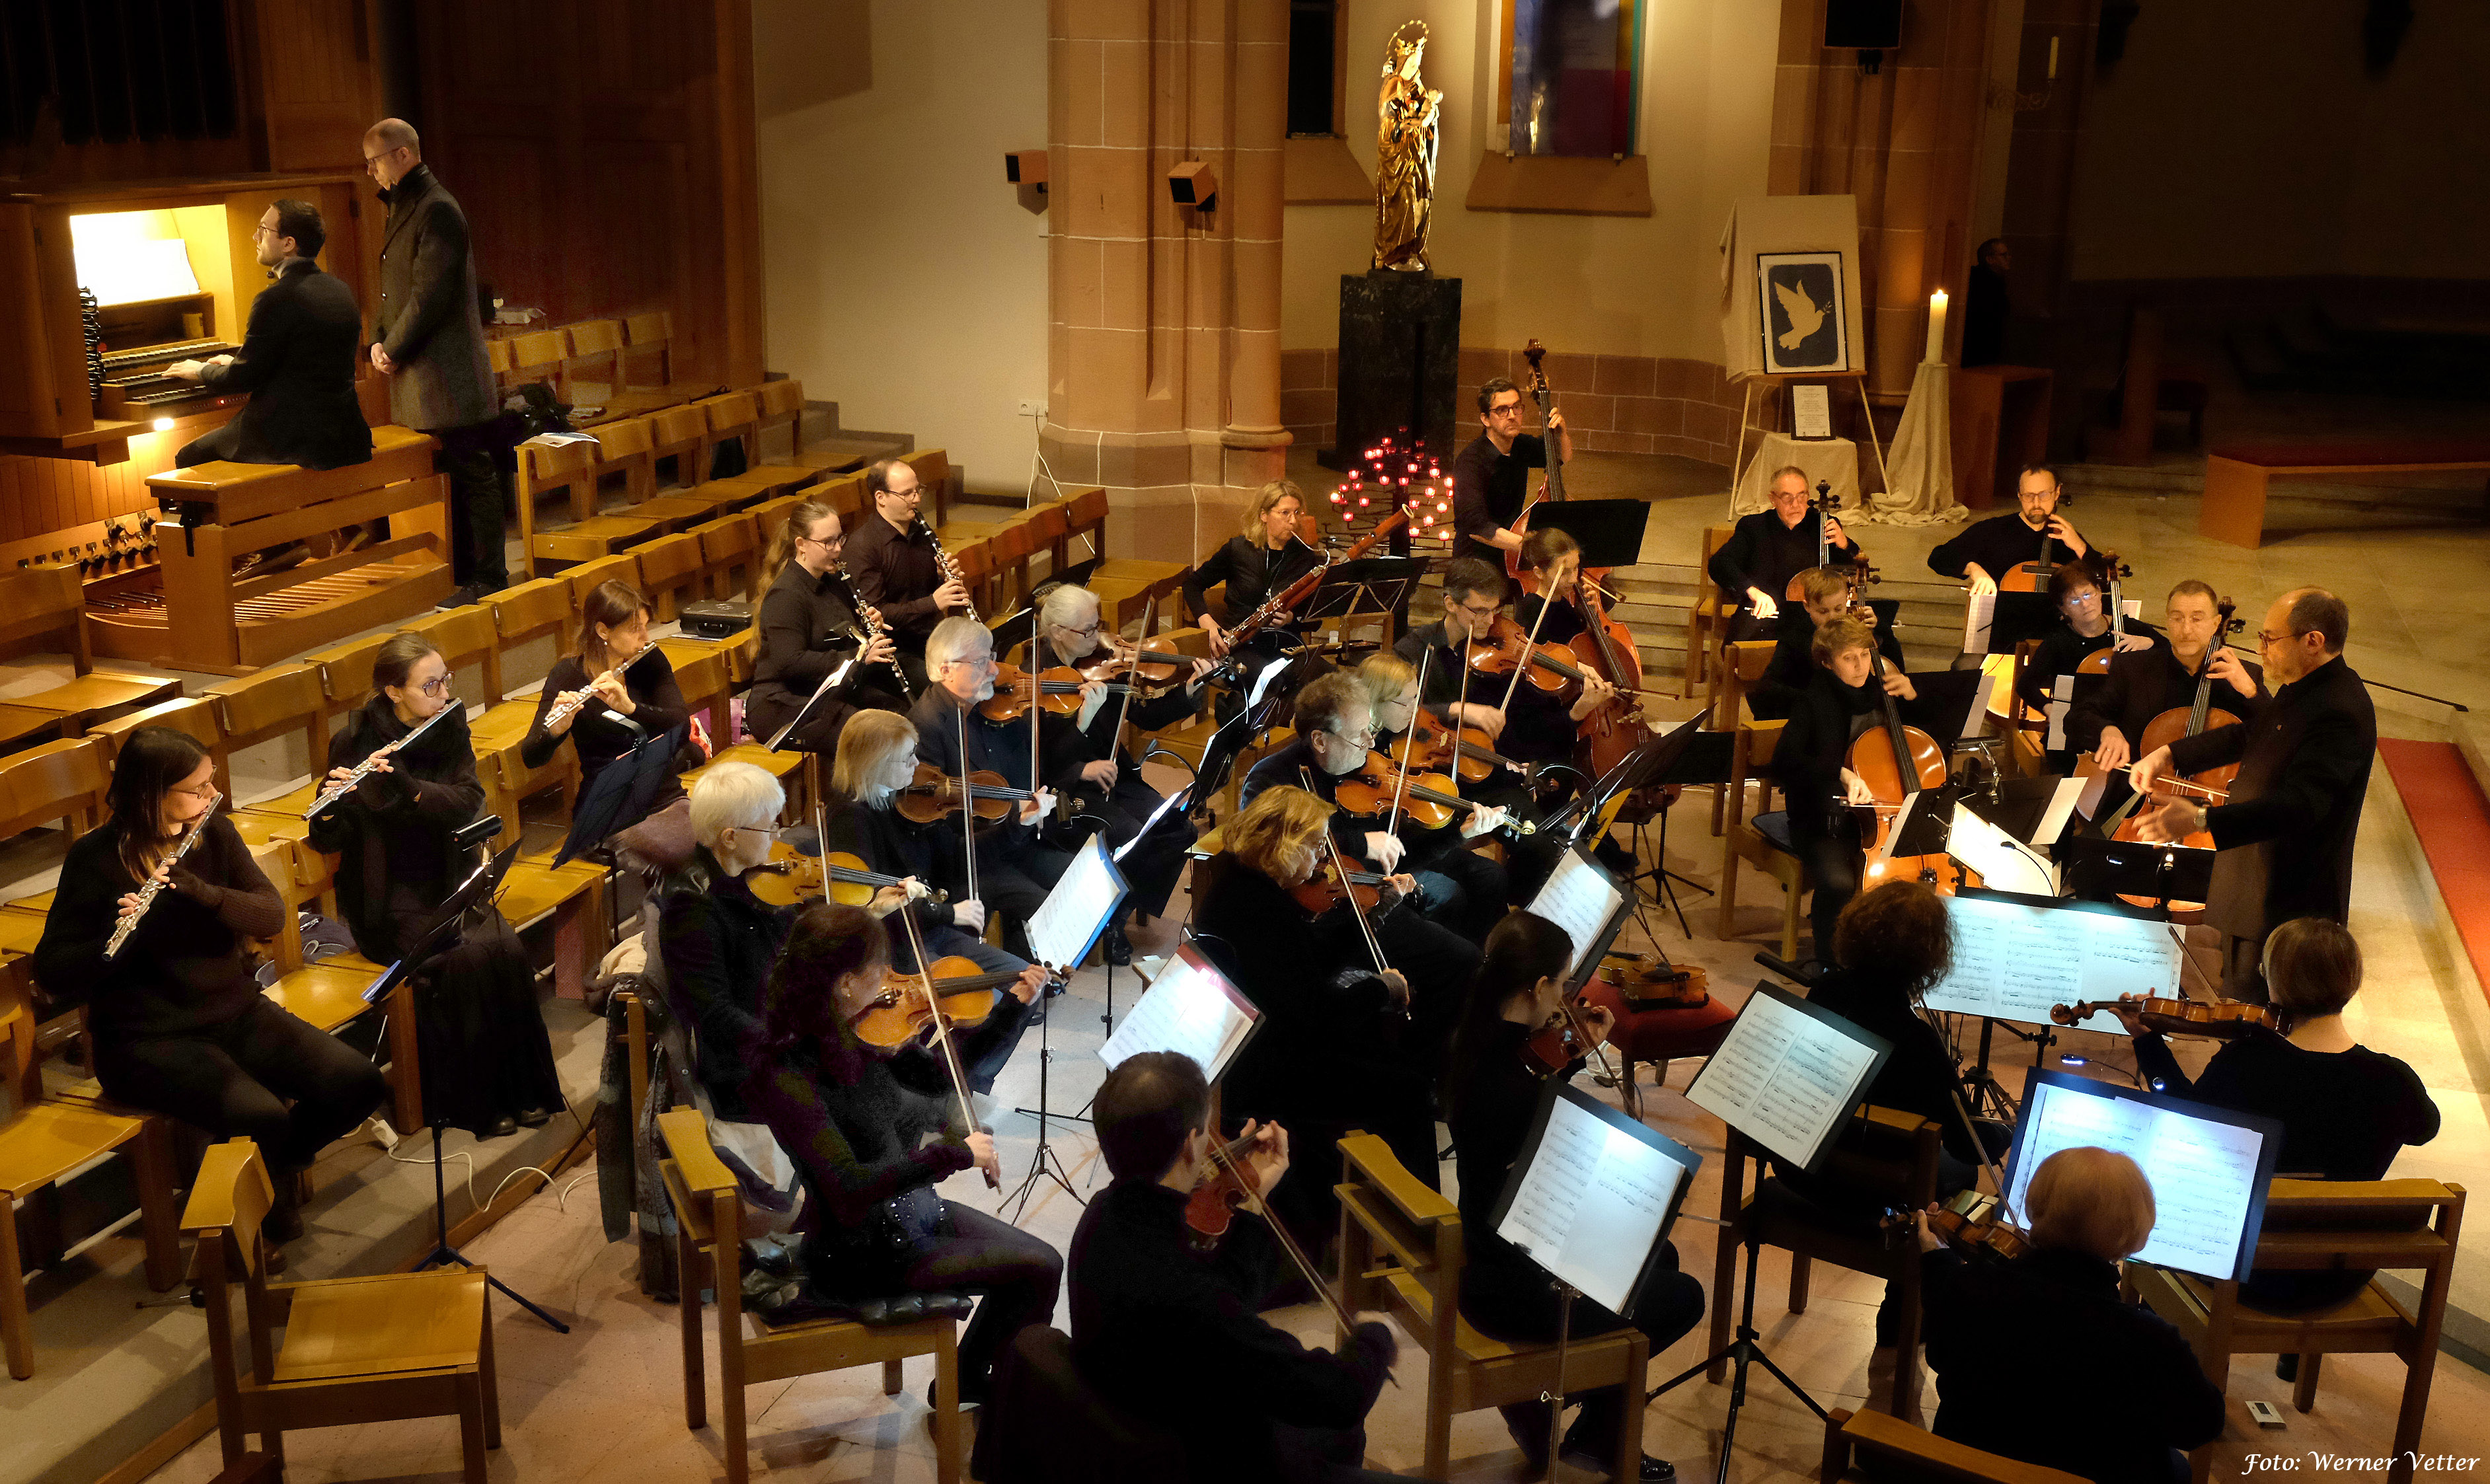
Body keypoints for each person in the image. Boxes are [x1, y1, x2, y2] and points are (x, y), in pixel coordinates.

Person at [33, 728, 386, 1251]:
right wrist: (122, 936)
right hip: (147, 1040)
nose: (209, 797)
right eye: (196, 789)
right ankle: (262, 1224)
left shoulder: (212, 834)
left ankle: (274, 1170)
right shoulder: (95, 859)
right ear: (153, 794)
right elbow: (55, 973)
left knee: (357, 1081)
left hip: (234, 1012)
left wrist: (202, 893)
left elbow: (270, 913)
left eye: (210, 785)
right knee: (261, 1113)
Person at [745, 903, 1057, 1408]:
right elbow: (847, 1187)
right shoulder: (788, 1075)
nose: (892, 981)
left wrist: (1014, 1007)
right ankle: (986, 1394)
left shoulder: (865, 1033)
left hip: (914, 1216)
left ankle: (969, 1378)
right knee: (1037, 1268)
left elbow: (945, 1074)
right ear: (845, 983)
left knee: (1042, 1265)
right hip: (864, 1254)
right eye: (879, 969)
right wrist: (952, 1155)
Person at [1444, 911, 1702, 1481]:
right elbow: (1542, 1123)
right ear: (1536, 988)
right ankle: (1588, 1424)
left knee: (1661, 1261)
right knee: (1681, 1295)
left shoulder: (1476, 1038)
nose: (1565, 998)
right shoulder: (1514, 1094)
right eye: (1561, 984)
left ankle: (1598, 1427)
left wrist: (1578, 1048)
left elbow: (1530, 1074)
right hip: (1521, 1287)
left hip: (1485, 1256)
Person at [1067, 1052, 1401, 1484]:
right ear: (1190, 1145)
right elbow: (1338, 1397)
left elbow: (1224, 1298)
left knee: (1339, 1438)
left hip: (1154, 1414)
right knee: (1342, 1427)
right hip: (1213, 1459)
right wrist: (1376, 1336)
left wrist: (1252, 1199)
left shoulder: (1103, 1217)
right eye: (1207, 1132)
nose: (1215, 1146)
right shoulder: (1189, 1300)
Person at [307, 632, 559, 1136]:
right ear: (393, 692)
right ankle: (472, 1104)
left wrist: (410, 790)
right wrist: (330, 805)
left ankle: (521, 1091)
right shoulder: (354, 741)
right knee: (460, 960)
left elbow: (467, 800)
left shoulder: (449, 729)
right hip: (387, 893)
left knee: (505, 949)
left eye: (445, 680)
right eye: (430, 685)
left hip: (448, 875)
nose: (443, 693)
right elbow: (329, 838)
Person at [2121, 917, 2437, 1318]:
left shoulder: (2246, 1064)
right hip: (2338, 1278)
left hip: (2244, 1271)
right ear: (2352, 983)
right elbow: (2426, 1128)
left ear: (2275, 983)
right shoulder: (2394, 1079)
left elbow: (2182, 1115)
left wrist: (2146, 1042)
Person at [1786, 883, 2009, 1410]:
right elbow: (1968, 1145)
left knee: (1930, 1173)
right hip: (1868, 1201)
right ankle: (1893, 1372)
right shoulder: (1917, 1041)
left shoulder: (1822, 995)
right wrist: (2005, 1131)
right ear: (1930, 958)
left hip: (1800, 1169)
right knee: (1955, 1200)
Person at [1188, 786, 1441, 1249]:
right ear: (1288, 847)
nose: (1325, 858)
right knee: (1408, 1087)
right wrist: (1382, 989)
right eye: (1318, 845)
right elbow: (1320, 1015)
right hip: (1273, 1070)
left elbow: (1303, 967)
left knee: (1390, 1059)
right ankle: (1423, 1231)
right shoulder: (1261, 911)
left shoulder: (1244, 886)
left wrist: (1377, 913)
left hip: (1266, 1042)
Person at [1916, 1146, 2225, 1483]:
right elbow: (2200, 1427)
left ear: (2036, 1208)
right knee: (2177, 1469)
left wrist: (1936, 1257)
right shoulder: (2150, 1339)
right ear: (2133, 1237)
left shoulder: (1967, 1288)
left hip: (1967, 1473)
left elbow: (1940, 1352)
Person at [2131, 589, 2375, 1003]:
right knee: (2235, 995)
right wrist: (2170, 752)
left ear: (2312, 641)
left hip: (2285, 900)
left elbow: (2301, 807)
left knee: (2258, 1013)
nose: (2260, 650)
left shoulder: (2341, 711)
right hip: (2254, 886)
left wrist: (2201, 819)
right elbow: (2252, 733)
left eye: (2269, 639)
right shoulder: (2305, 686)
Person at [1239, 671, 1484, 1025]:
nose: (1372, 742)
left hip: (1367, 900)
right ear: (1320, 741)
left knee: (1459, 949)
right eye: (1359, 735)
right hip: (1323, 919)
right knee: (1463, 960)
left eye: (1371, 727)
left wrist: (1456, 834)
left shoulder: (1362, 774)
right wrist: (1358, 843)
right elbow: (1271, 857)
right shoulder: (1271, 780)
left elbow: (1402, 854)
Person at [825, 710, 1047, 1096]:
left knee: (1024, 981)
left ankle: (966, 1082)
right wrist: (950, 912)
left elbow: (963, 855)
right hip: (896, 947)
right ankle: (946, 1093)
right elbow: (872, 903)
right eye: (907, 758)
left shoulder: (907, 802)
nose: (918, 764)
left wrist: (1017, 824)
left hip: (933, 931)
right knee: (978, 1003)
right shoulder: (851, 820)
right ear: (875, 763)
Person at [1024, 582, 1209, 959]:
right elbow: (1037, 761)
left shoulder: (1103, 661)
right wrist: (1081, 748)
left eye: (1098, 625)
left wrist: (1187, 692)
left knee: (1178, 828)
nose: (1099, 637)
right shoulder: (1033, 678)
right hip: (1064, 792)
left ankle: (1117, 913)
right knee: (1126, 833)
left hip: (1116, 777)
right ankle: (1106, 924)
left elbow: (1144, 714)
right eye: (1087, 630)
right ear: (1058, 632)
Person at [361, 118, 504, 605]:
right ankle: (461, 572)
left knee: (472, 471)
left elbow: (431, 294)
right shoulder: (407, 206)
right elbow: (392, 288)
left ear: (403, 155)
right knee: (453, 473)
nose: (372, 172)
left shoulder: (438, 208)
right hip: (422, 370)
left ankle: (488, 577)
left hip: (447, 370)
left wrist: (394, 348)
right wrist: (378, 340)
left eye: (375, 162)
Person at [1769, 618, 1939, 955]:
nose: (1861, 665)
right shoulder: (1813, 700)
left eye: (1865, 654)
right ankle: (1831, 960)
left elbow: (1930, 745)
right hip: (1825, 818)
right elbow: (1785, 761)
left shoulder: (1883, 693)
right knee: (1839, 883)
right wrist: (1842, 774)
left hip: (1887, 812)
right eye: (1849, 658)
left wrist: (1914, 697)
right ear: (1827, 661)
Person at [166, 199, 371, 474]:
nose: (256, 237)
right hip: (345, 431)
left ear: (288, 244)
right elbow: (302, 361)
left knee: (188, 458)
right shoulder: (340, 290)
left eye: (263, 230)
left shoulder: (276, 298)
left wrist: (201, 370)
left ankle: (242, 519)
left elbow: (244, 378)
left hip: (289, 437)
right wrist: (237, 360)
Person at [908, 616, 1069, 959]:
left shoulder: (982, 710)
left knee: (1074, 878)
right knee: (1041, 907)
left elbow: (1020, 774)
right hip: (969, 860)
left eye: (991, 657)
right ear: (944, 670)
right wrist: (1016, 824)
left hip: (1005, 840)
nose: (996, 670)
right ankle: (1023, 988)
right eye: (981, 662)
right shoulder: (925, 729)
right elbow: (948, 839)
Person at [2066, 579, 2265, 824]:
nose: (2186, 630)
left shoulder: (2244, 676)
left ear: (2215, 624)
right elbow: (2077, 717)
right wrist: (2107, 730)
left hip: (2206, 812)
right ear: (2167, 621)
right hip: (2135, 802)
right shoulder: (2134, 667)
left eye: (2197, 619)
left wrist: (2252, 692)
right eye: (2177, 618)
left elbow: (2277, 734)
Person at [1353, 651, 1517, 938]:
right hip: (1390, 858)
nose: (1415, 709)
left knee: (1492, 875)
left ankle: (1486, 957)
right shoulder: (1356, 750)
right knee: (1449, 895)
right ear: (1373, 700)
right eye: (1405, 702)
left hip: (1417, 842)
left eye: (1417, 698)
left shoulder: (1404, 738)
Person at [1396, 557, 1612, 769]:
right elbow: (1389, 713)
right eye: (1480, 611)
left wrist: (1575, 700)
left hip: (1489, 765)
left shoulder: (1499, 653)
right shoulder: (1413, 649)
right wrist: (1457, 709)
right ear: (1450, 603)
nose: (1491, 621)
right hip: (1430, 766)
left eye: (1496, 610)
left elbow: (1528, 726)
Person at [517, 580, 689, 840]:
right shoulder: (568, 675)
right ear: (603, 631)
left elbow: (681, 727)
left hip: (662, 792)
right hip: (608, 806)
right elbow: (531, 756)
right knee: (681, 845)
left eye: (645, 626)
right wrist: (554, 731)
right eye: (635, 629)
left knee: (708, 836)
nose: (646, 637)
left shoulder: (649, 660)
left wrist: (632, 709)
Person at [745, 498, 908, 755]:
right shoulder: (786, 595)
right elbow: (790, 662)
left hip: (822, 692)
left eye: (840, 539)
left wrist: (867, 631)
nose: (837, 549)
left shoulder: (835, 582)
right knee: (869, 734)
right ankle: (854, 794)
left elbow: (843, 637)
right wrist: (858, 657)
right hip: (782, 704)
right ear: (802, 545)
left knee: (899, 713)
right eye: (828, 543)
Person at [2019, 560, 2158, 774]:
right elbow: (2026, 685)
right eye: (2075, 600)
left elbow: (2172, 654)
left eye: (2089, 594)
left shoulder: (2128, 628)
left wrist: (2149, 643)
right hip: (2073, 731)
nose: (2086, 604)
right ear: (2062, 608)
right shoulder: (2059, 642)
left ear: (2100, 592)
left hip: (2125, 728)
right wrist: (2050, 709)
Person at [845, 459, 973, 690]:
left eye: (917, 490)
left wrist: (943, 578)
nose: (917, 499)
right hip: (895, 652)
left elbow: (923, 591)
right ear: (880, 497)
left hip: (930, 639)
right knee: (946, 685)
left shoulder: (921, 532)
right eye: (907, 493)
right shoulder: (863, 547)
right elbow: (877, 615)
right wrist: (933, 603)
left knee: (981, 664)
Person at [1709, 466, 1864, 644]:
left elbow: (1853, 569)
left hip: (1812, 623)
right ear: (1773, 499)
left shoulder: (1823, 525)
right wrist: (1754, 592)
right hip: (1764, 620)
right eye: (1787, 497)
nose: (1795, 504)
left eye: (1801, 496)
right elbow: (1719, 563)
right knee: (1744, 653)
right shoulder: (1754, 527)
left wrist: (1845, 545)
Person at [1184, 478, 1323, 659]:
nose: (1294, 521)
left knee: (1329, 678)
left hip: (1286, 646)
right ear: (1264, 515)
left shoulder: (1305, 556)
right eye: (1285, 513)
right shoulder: (1238, 549)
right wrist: (1208, 624)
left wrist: (1291, 618)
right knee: (1275, 681)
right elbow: (1192, 584)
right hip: (1240, 648)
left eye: (1297, 513)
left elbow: (1315, 618)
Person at [1749, 566, 1902, 723]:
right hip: (1815, 719)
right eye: (1823, 612)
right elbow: (1767, 688)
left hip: (1855, 717)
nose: (1832, 617)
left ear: (1847, 601)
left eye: (1838, 609)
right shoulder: (1794, 640)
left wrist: (1882, 630)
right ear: (1807, 606)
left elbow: (1897, 668)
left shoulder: (1855, 633)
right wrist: (1814, 701)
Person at [1451, 377, 1571, 561]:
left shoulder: (1520, 445)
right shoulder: (1470, 462)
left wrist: (1561, 431)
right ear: (1486, 419)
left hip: (1510, 549)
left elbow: (1561, 457)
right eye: (1502, 410)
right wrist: (1534, 548)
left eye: (1516, 407)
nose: (1512, 415)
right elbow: (1478, 528)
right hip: (1476, 559)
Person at [1925, 463, 2088, 599]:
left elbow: (2102, 579)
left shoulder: (2067, 537)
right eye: (2029, 495)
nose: (2036, 503)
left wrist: (2080, 548)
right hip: (2002, 626)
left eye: (2044, 495)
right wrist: (1973, 568)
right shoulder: (1993, 530)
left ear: (2057, 493)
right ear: (2019, 495)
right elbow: (1939, 558)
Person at [1959, 237, 2010, 369]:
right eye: (2003, 255)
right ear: (1990, 259)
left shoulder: (1996, 283)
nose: (2009, 258)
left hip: (1987, 346)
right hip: (1978, 347)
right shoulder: (1982, 283)